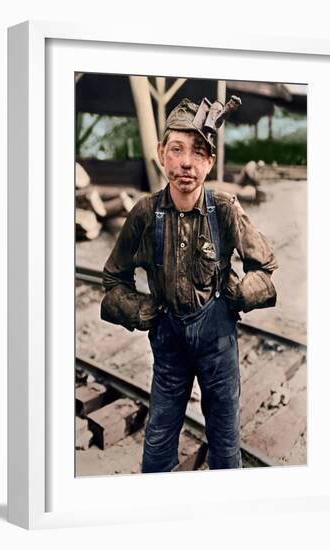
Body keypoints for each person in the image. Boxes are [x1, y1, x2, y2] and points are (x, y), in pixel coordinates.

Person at [100, 97, 278, 473]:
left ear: (210, 161)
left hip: (218, 346)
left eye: (198, 153)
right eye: (176, 149)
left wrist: (241, 293)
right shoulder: (145, 215)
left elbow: (265, 268)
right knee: (159, 440)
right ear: (161, 153)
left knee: (225, 445)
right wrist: (139, 309)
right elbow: (113, 280)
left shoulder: (225, 209)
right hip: (169, 348)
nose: (186, 163)